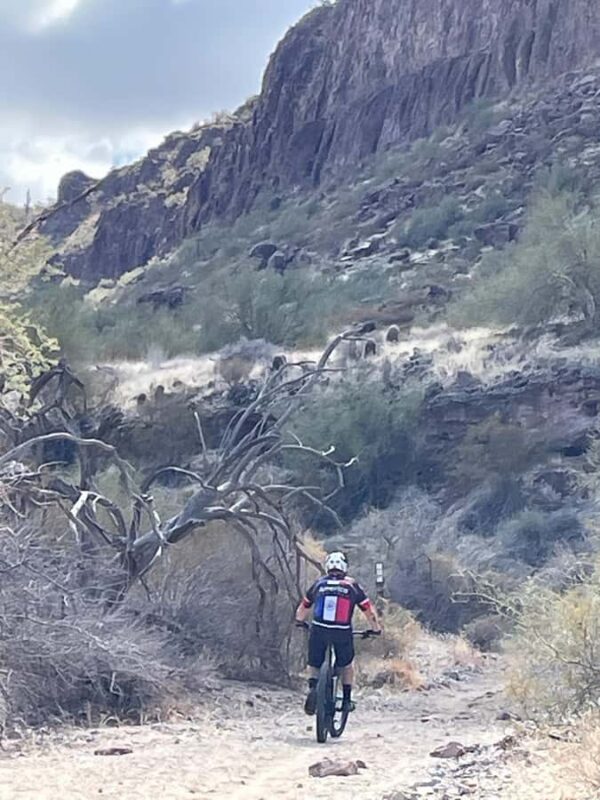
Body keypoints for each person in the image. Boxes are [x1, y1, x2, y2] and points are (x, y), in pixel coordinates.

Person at [295, 551, 381, 715]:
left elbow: (303, 608)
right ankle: (347, 699)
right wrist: (376, 629)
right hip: (342, 632)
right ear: (345, 567)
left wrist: (299, 621)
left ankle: (313, 687)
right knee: (347, 664)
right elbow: (369, 611)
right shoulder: (352, 585)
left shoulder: (319, 584)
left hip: (318, 629)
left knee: (314, 662)